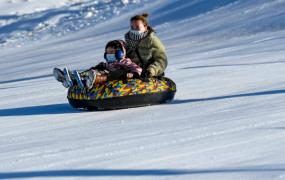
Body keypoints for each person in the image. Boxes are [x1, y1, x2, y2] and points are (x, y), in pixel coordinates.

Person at [53, 40, 142, 89]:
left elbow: (137, 68)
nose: (109, 54)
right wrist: (98, 68)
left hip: (117, 77)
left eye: (111, 52)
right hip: (106, 74)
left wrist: (133, 73)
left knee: (115, 73)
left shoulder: (125, 61)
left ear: (120, 53)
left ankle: (94, 79)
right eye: (107, 53)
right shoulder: (108, 63)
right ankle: (72, 79)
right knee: (99, 67)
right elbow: (103, 67)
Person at [125, 13, 167, 78]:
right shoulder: (128, 41)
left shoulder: (152, 40)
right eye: (132, 27)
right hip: (133, 74)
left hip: (148, 76)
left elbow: (161, 60)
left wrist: (150, 71)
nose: (134, 29)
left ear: (145, 27)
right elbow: (123, 59)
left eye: (137, 27)